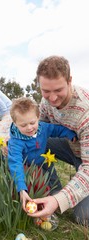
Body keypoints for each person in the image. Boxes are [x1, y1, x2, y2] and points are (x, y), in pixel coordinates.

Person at [29, 55, 89, 225]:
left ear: (70, 81)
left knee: (83, 217)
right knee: (36, 142)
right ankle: (54, 191)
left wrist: (59, 201)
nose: (52, 98)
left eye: (58, 90)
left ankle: (57, 199)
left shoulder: (86, 110)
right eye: (46, 91)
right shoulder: (47, 102)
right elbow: (38, 130)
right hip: (72, 148)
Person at [8, 97, 77, 212]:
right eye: (23, 125)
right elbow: (16, 163)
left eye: (32, 123)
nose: (29, 128)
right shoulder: (15, 142)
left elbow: (56, 130)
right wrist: (21, 188)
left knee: (52, 179)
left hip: (43, 160)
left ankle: (57, 200)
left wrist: (69, 133)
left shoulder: (43, 128)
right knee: (34, 185)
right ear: (15, 123)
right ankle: (34, 203)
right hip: (27, 168)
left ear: (38, 117)